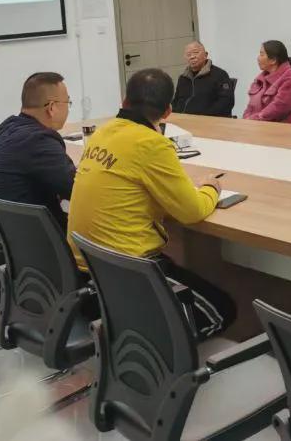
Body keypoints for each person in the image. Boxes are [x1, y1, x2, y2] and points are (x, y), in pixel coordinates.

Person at [67, 68, 236, 341]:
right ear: (168, 111)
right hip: (130, 276)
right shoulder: (151, 144)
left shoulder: (101, 133)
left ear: (124, 101)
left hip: (89, 278)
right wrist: (210, 188)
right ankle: (161, 343)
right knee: (224, 309)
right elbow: (192, 212)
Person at [0, 72, 75, 244]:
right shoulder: (39, 139)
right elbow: (77, 189)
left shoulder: (8, 126)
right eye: (68, 102)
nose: (68, 108)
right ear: (52, 108)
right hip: (22, 245)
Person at [242, 40, 291, 123]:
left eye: (262, 54)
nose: (258, 58)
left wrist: (251, 120)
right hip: (258, 124)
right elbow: (251, 106)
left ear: (273, 60)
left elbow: (278, 109)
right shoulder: (261, 78)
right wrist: (245, 119)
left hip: (281, 127)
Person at [171, 41, 235, 117]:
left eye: (195, 52)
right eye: (188, 55)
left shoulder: (220, 74)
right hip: (182, 120)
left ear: (205, 55)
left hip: (208, 120)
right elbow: (176, 101)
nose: (192, 57)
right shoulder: (183, 78)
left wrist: (205, 116)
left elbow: (227, 102)